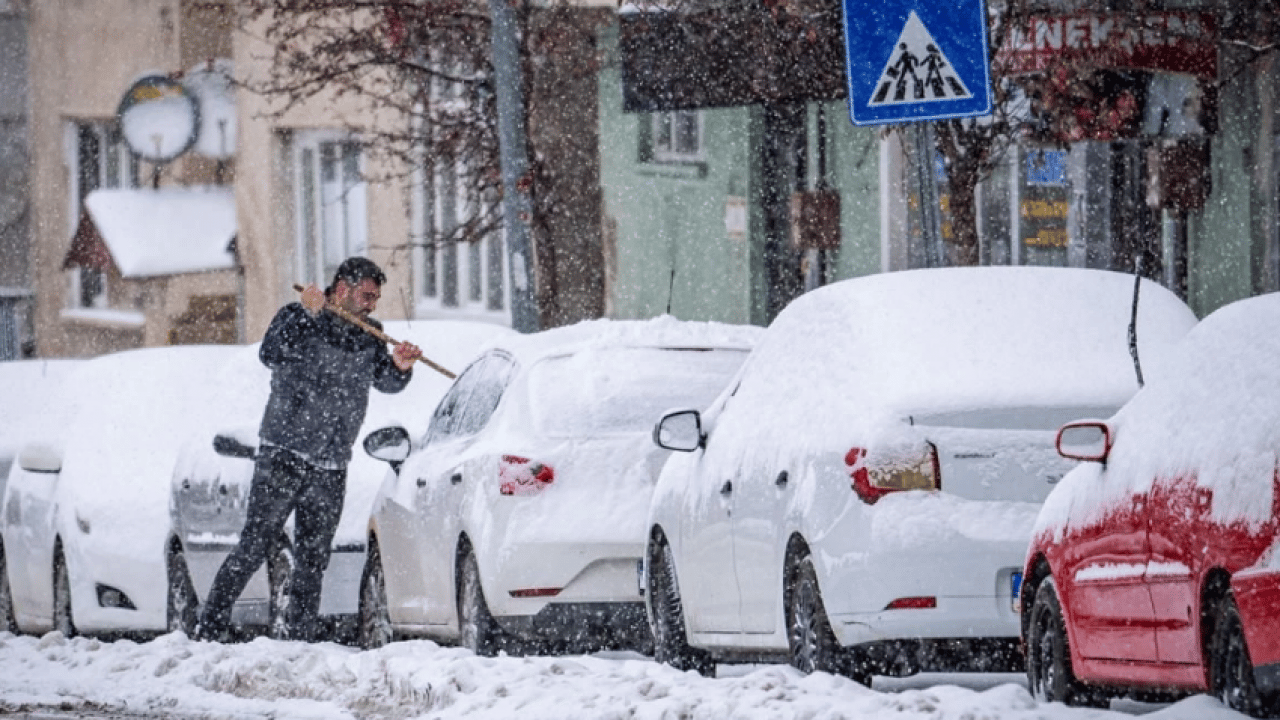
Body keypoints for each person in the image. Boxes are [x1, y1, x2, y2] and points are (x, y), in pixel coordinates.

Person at [194, 257, 423, 643]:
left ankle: (300, 640)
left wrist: (400, 367)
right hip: (283, 452)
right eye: (366, 295)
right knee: (255, 545)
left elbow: (384, 382)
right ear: (344, 289)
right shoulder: (296, 316)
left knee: (314, 559)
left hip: (332, 462)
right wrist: (309, 316)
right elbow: (271, 353)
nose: (371, 304)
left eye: (376, 298)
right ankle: (210, 627)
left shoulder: (369, 333)